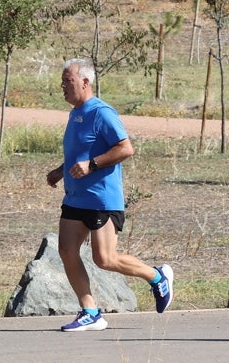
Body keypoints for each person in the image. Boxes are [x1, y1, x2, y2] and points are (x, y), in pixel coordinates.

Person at [46, 58, 173, 332]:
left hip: (102, 199)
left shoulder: (102, 112)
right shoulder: (75, 113)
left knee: (105, 259)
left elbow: (125, 148)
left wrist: (91, 165)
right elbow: (80, 153)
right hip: (75, 197)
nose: (62, 87)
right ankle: (90, 311)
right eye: (62, 82)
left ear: (85, 82)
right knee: (67, 251)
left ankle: (156, 276)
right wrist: (60, 171)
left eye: (67, 82)